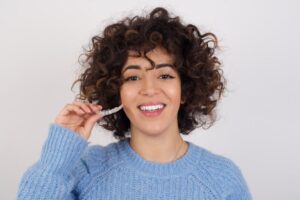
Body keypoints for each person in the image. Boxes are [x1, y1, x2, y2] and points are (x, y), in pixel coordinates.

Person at [17, 7, 252, 200]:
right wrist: (59, 154)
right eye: (132, 77)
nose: (149, 89)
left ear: (186, 90)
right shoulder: (87, 170)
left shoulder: (222, 179)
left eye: (165, 75)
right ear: (117, 93)